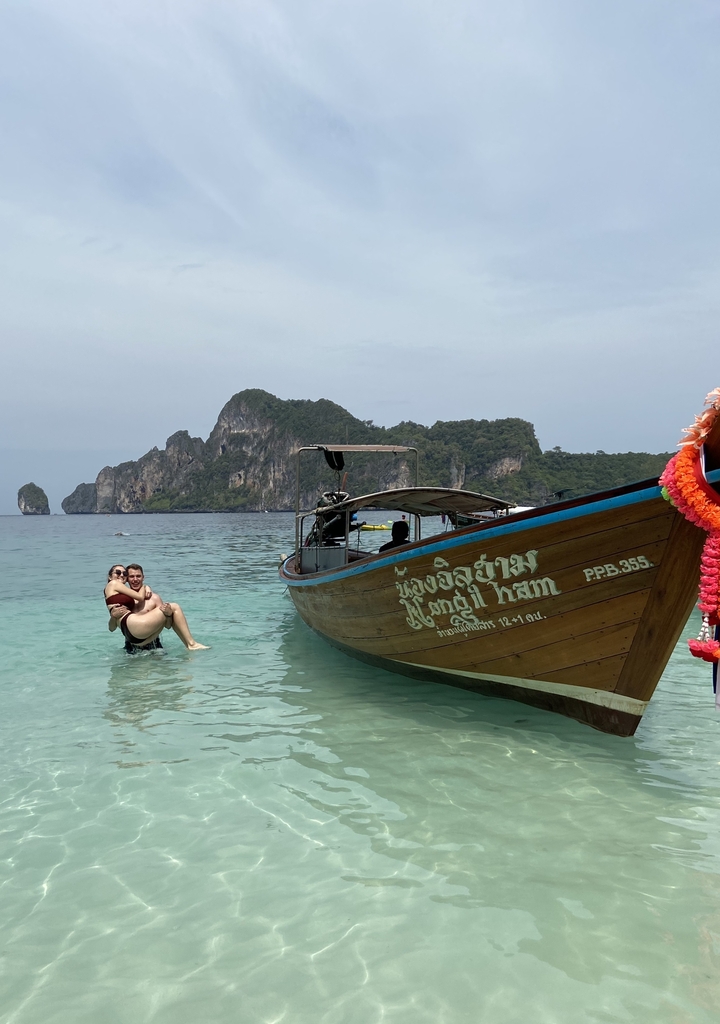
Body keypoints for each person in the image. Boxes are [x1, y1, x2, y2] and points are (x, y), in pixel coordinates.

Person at [105, 563, 209, 651]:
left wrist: (168, 615)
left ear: (143, 577)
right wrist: (113, 616)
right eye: (131, 576)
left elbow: (168, 625)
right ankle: (191, 644)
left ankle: (190, 645)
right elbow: (111, 628)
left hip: (152, 645)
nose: (135, 579)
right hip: (131, 645)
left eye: (138, 576)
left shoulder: (153, 598)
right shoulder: (125, 599)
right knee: (175, 606)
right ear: (127, 580)